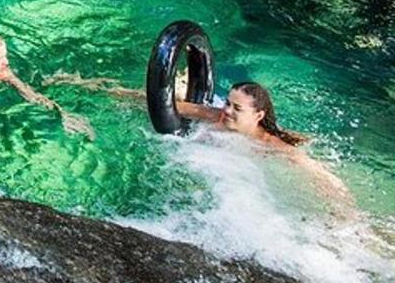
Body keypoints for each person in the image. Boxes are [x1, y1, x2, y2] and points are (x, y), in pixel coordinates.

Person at [43, 73, 351, 202]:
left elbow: (316, 173)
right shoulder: (216, 116)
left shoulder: (271, 145)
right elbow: (169, 104)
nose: (227, 111)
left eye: (236, 108)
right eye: (228, 103)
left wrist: (340, 205)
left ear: (258, 116)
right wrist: (100, 91)